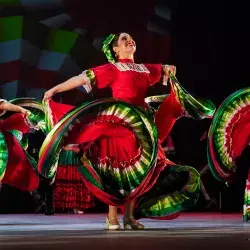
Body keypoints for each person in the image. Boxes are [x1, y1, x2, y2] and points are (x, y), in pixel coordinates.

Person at [42, 32, 211, 229]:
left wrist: (170, 69)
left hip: (143, 125)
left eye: (131, 38)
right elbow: (80, 79)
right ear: (115, 49)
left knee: (140, 170)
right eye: (124, 39)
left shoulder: (144, 69)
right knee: (118, 171)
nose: (129, 40)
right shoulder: (113, 68)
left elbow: (164, 70)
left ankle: (129, 216)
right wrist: (55, 90)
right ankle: (111, 216)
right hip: (120, 124)